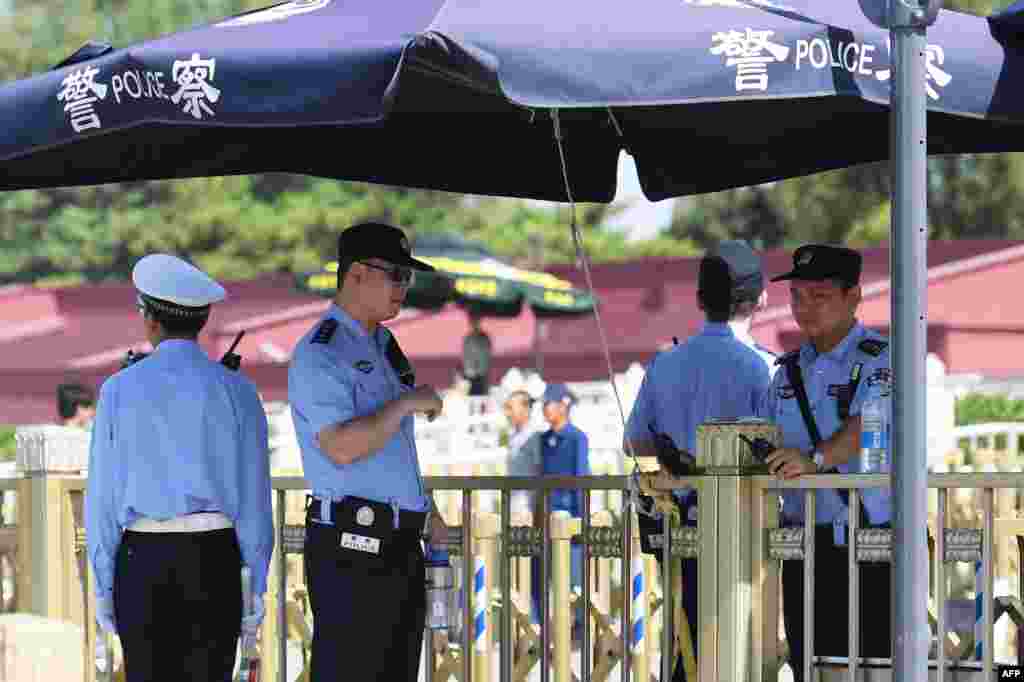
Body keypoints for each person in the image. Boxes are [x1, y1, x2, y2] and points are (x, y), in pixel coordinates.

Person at [85, 254, 274, 682]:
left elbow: (103, 501)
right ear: (203, 320)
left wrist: (104, 585)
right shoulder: (238, 390)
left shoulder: (118, 390)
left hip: (143, 560)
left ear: (149, 319)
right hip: (216, 559)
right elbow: (255, 505)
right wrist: (254, 588)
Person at [288, 222, 448, 682]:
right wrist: (405, 403)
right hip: (352, 548)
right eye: (395, 274)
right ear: (356, 274)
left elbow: (391, 449)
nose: (403, 287)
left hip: (399, 544)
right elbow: (340, 446)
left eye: (406, 277)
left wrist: (424, 506)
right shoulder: (322, 352)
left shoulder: (382, 343)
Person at [624, 242, 773, 682]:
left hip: (678, 525)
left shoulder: (665, 363)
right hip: (743, 530)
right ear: (760, 299)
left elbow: (633, 441)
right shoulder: (764, 367)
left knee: (683, 638)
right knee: (740, 648)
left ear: (699, 300)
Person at [758, 244, 892, 682]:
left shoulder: (880, 358)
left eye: (819, 296)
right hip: (801, 540)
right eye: (797, 295)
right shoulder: (788, 369)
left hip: (866, 539)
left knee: (871, 667)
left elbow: (866, 426)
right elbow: (766, 433)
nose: (804, 307)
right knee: (810, 665)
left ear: (854, 296)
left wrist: (814, 459)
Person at [537, 382, 589, 633]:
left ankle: (578, 622)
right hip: (548, 515)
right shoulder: (544, 440)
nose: (546, 409)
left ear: (564, 406)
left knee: (574, 574)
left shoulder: (577, 437)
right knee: (549, 576)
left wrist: (582, 518)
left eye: (551, 404)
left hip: (570, 514)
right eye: (545, 404)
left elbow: (580, 478)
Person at [503, 390, 542, 516]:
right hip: (513, 502)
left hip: (527, 506)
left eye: (510, 408)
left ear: (525, 409)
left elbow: (539, 472)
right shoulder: (512, 435)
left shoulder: (535, 436)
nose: (507, 413)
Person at [462, 313, 493, 396]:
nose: (474, 324)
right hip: (471, 376)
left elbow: (487, 357)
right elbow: (465, 358)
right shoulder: (468, 339)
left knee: (481, 399)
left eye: (476, 321)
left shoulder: (484, 339)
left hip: (481, 376)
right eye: (472, 321)